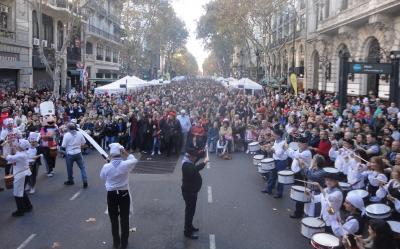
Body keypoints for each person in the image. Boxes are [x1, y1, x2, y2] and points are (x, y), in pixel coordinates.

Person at [100, 143, 138, 249]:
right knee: (124, 219)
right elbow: (134, 159)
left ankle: (116, 242)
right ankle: (124, 243)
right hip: (124, 194)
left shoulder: (106, 166)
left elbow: (102, 177)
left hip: (111, 194)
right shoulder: (126, 164)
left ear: (111, 155)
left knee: (113, 219)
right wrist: (125, 151)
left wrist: (108, 163)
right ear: (120, 154)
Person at [181, 148, 209, 239]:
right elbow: (195, 169)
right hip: (189, 192)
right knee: (189, 212)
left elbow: (198, 157)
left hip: (192, 191)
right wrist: (204, 162)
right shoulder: (186, 165)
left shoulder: (189, 160)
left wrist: (204, 152)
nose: (195, 158)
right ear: (190, 156)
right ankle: (187, 232)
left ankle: (190, 226)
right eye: (194, 156)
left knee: (191, 211)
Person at [286, 136, 312, 218]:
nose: (299, 144)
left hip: (302, 175)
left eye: (301, 143)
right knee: (298, 192)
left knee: (300, 194)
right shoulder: (300, 150)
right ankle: (300, 211)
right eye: (298, 142)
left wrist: (287, 148)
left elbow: (294, 155)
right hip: (297, 173)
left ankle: (298, 213)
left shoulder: (307, 153)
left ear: (306, 144)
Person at [6, 139, 33, 217]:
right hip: (23, 174)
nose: (17, 145)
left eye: (19, 144)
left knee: (17, 193)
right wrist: (11, 145)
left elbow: (9, 157)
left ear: (21, 147)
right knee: (22, 192)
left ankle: (20, 211)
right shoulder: (22, 153)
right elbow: (16, 151)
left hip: (21, 175)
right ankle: (28, 206)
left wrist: (6, 150)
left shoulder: (20, 155)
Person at [261, 129, 287, 198]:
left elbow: (278, 153)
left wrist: (271, 149)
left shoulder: (284, 143)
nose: (273, 135)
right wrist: (268, 148)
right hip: (275, 160)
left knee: (280, 178)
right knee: (272, 175)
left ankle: (279, 193)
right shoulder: (276, 141)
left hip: (281, 162)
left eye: (274, 134)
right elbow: (274, 148)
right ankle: (268, 189)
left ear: (278, 135)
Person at [61, 123, 88, 188]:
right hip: (78, 152)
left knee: (69, 168)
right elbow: (84, 142)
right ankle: (85, 181)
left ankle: (70, 180)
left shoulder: (66, 135)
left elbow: (63, 145)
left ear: (68, 128)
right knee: (82, 168)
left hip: (70, 153)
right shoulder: (79, 133)